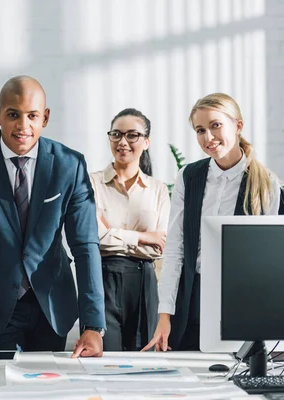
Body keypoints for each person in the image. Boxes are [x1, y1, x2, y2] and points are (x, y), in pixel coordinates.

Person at [0, 75, 105, 360]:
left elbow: (86, 245)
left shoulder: (70, 164)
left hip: (52, 305)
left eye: (32, 116)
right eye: (13, 115)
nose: (23, 125)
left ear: (46, 117)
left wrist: (93, 325)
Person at [143, 93, 282, 352]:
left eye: (216, 125)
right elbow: (175, 249)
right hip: (191, 299)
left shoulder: (265, 183)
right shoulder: (190, 176)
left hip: (239, 300)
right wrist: (164, 316)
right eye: (200, 130)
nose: (208, 137)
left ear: (238, 126)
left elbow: (267, 262)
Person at [90, 108, 170, 351]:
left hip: (144, 281)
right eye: (116, 134)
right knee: (105, 360)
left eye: (132, 135)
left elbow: (160, 247)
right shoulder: (90, 182)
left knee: (144, 362)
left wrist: (111, 232)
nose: (123, 142)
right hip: (102, 278)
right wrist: (144, 237)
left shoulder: (158, 190)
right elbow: (94, 237)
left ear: (146, 142)